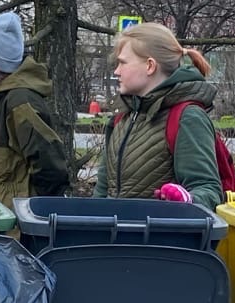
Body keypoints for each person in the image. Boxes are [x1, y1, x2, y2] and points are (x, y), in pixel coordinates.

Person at [94, 22, 224, 211]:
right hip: (117, 238)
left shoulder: (187, 118)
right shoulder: (121, 118)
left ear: (150, 66)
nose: (116, 71)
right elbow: (102, 192)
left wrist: (187, 200)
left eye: (123, 63)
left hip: (161, 239)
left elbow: (209, 191)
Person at [0, 11, 72, 205]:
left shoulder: (20, 102)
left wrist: (36, 218)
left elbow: (50, 168)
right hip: (1, 217)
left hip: (17, 224)